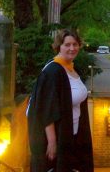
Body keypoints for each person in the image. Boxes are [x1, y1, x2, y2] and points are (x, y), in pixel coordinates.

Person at [27, 29, 94, 172]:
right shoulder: (53, 71)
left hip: (73, 134)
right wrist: (52, 142)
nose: (72, 48)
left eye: (75, 44)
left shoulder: (71, 68)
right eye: (67, 44)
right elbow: (47, 110)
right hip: (59, 136)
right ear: (59, 46)